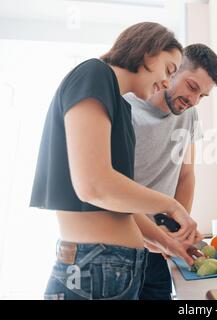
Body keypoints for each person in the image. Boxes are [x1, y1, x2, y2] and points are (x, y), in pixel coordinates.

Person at [30, 22, 200, 300]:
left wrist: (167, 243)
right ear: (148, 52)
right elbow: (94, 186)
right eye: (169, 69)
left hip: (110, 269)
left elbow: (117, 204)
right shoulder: (94, 73)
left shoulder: (121, 107)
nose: (168, 82)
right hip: (93, 269)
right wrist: (171, 205)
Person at [123, 43, 217, 299]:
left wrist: (180, 229)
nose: (194, 101)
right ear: (172, 70)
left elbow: (186, 174)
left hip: (160, 245)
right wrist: (159, 237)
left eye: (202, 96)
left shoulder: (189, 117)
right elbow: (113, 187)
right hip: (122, 240)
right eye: (192, 87)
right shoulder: (127, 107)